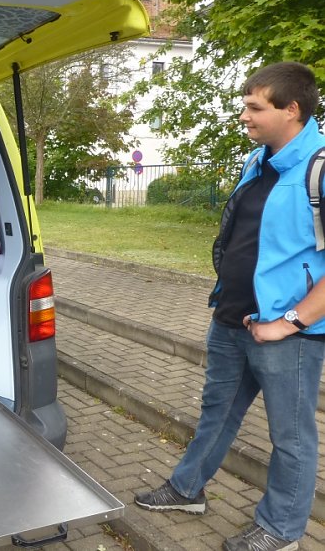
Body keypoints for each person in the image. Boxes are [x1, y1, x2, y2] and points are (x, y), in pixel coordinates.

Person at [134, 62, 325, 551]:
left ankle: (281, 531)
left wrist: (289, 322)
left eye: (254, 107)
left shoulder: (319, 169)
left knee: (292, 438)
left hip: (287, 334)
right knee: (216, 413)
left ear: (292, 109)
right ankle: (186, 490)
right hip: (232, 319)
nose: (243, 115)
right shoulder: (257, 161)